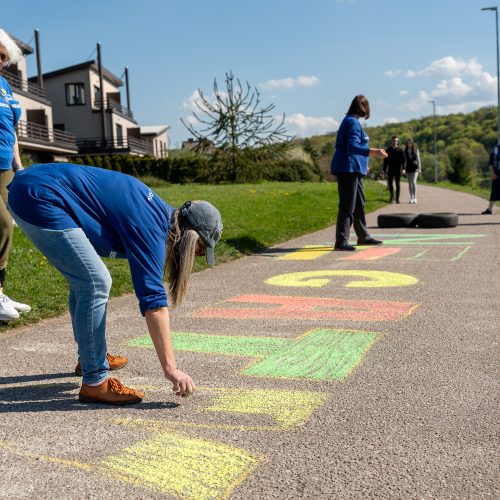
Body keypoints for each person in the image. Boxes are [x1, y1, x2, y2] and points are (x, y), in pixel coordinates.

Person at [8, 163, 223, 405]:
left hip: (33, 186)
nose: (197, 258)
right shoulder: (151, 228)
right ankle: (95, 382)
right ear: (189, 238)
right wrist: (171, 369)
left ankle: (90, 357)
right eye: (200, 250)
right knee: (95, 282)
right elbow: (154, 305)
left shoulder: (156, 215)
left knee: (85, 280)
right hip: (38, 195)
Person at [0, 29, 31, 321]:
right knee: (2, 226)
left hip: (6, 168)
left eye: (2, 56)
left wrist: (19, 167)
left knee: (9, 224)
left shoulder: (5, 87)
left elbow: (11, 134)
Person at [331, 95, 387, 251]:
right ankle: (341, 241)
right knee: (347, 205)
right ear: (363, 108)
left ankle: (363, 236)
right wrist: (374, 152)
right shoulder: (352, 123)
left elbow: (354, 149)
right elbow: (352, 147)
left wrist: (363, 164)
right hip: (348, 169)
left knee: (359, 204)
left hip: (354, 169)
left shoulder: (351, 121)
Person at [382, 136, 405, 203]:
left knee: (398, 184)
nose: (395, 142)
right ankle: (392, 196)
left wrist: (403, 169)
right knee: (390, 183)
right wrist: (384, 170)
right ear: (391, 141)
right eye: (394, 140)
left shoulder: (400, 150)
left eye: (396, 141)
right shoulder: (388, 150)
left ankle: (397, 199)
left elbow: (404, 160)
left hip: (398, 169)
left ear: (398, 142)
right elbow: (385, 161)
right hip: (390, 169)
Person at [482, 144, 500, 214]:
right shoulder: (495, 148)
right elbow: (491, 163)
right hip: (496, 174)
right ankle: (489, 209)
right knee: (494, 192)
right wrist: (492, 173)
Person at [404, 138, 421, 204]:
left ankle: (415, 197)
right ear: (407, 144)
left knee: (413, 182)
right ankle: (411, 197)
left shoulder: (416, 150)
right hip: (408, 169)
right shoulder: (405, 151)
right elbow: (404, 161)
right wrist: (403, 169)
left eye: (411, 143)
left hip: (415, 168)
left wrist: (419, 169)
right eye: (408, 143)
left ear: (412, 143)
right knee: (410, 183)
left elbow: (418, 160)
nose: (409, 144)